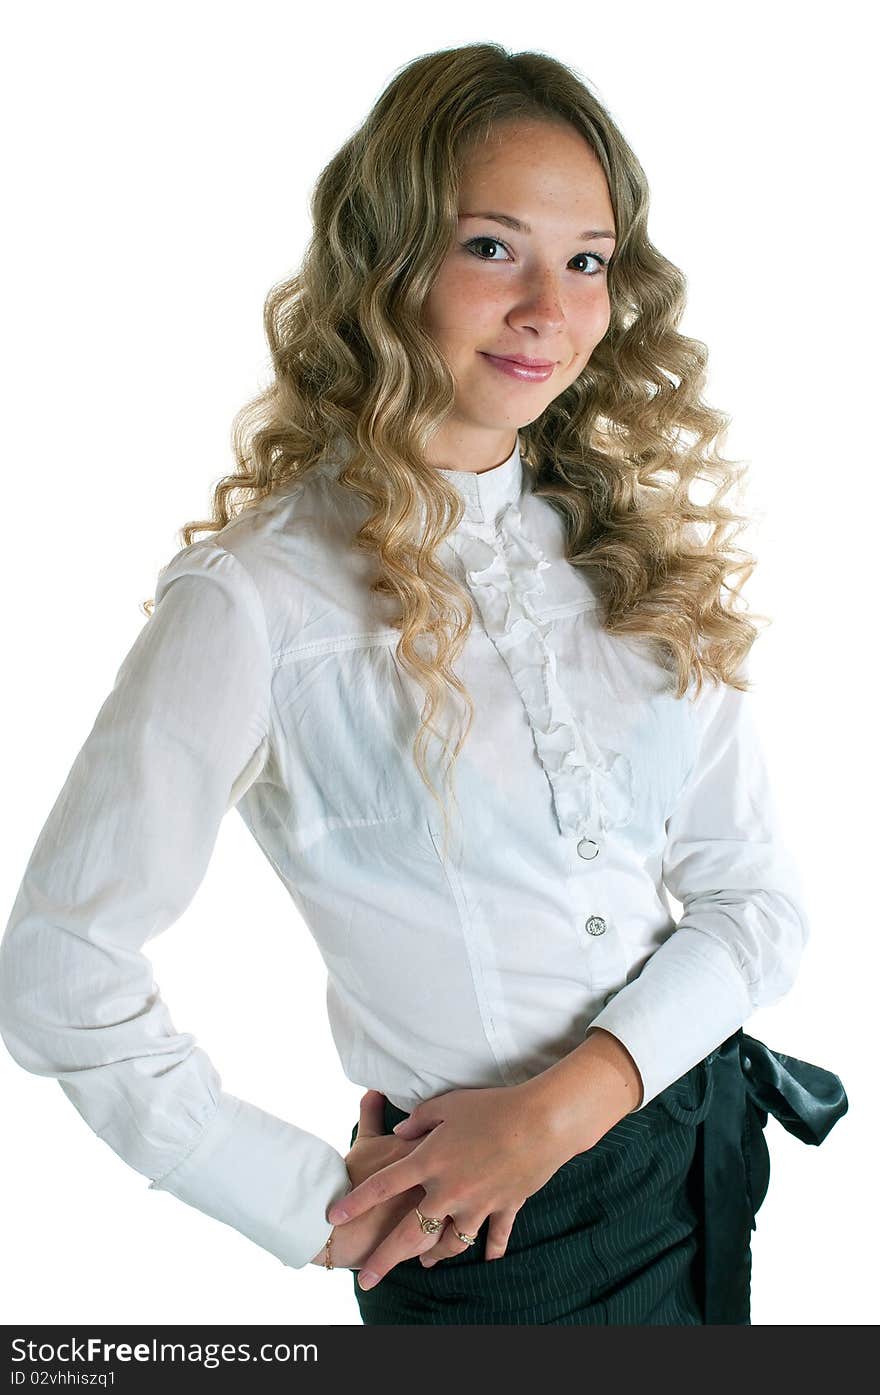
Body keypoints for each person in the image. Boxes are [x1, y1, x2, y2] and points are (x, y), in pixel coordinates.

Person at [0, 42, 847, 1326]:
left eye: (586, 260)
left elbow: (756, 903)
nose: (546, 311)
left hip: (692, 1166)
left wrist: (565, 1106)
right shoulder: (257, 599)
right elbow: (60, 969)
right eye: (491, 247)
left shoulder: (629, 564)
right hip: (481, 1243)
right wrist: (307, 1204)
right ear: (386, 262)